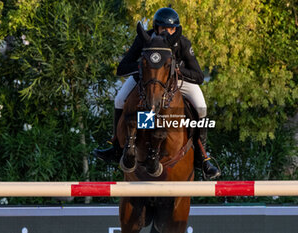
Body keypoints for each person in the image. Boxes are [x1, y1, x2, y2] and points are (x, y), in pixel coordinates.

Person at [94, 7, 220, 179]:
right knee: (119, 99)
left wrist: (176, 70)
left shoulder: (182, 43)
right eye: (163, 28)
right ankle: (115, 146)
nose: (168, 32)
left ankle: (203, 155)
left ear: (176, 29)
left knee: (201, 106)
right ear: (156, 27)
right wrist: (144, 68)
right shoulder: (144, 39)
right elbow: (122, 68)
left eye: (172, 29)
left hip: (177, 81)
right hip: (147, 80)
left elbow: (198, 75)